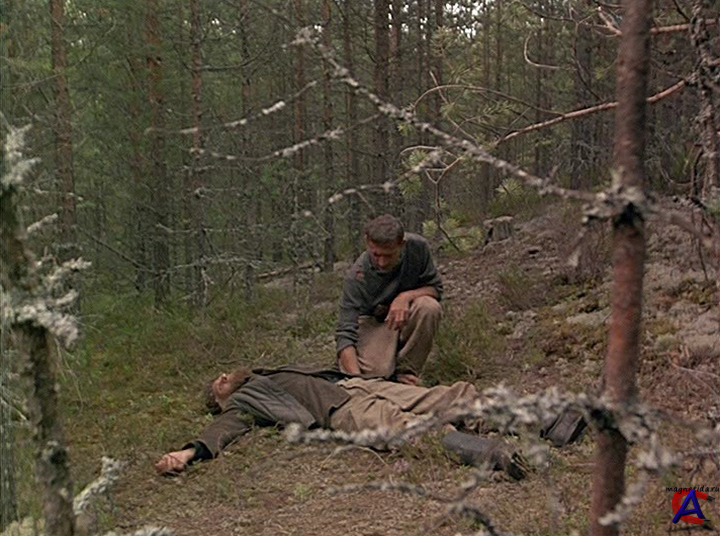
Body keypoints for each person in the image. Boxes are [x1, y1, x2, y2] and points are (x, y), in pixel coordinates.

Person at [155, 364, 528, 479]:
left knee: (448, 397)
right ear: (221, 399)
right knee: (404, 429)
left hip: (353, 385)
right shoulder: (242, 402)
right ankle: (492, 453)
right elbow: (224, 429)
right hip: (340, 411)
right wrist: (188, 452)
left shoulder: (261, 375)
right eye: (218, 384)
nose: (223, 376)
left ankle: (546, 421)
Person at [336, 215, 443, 385]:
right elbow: (345, 332)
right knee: (375, 374)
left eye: (389, 255)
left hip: (406, 315)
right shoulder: (357, 276)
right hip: (372, 324)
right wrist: (357, 380)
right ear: (367, 242)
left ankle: (407, 370)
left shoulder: (418, 248)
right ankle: (386, 372)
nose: (382, 262)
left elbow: (435, 289)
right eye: (376, 254)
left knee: (429, 307)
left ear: (402, 244)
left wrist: (405, 297)